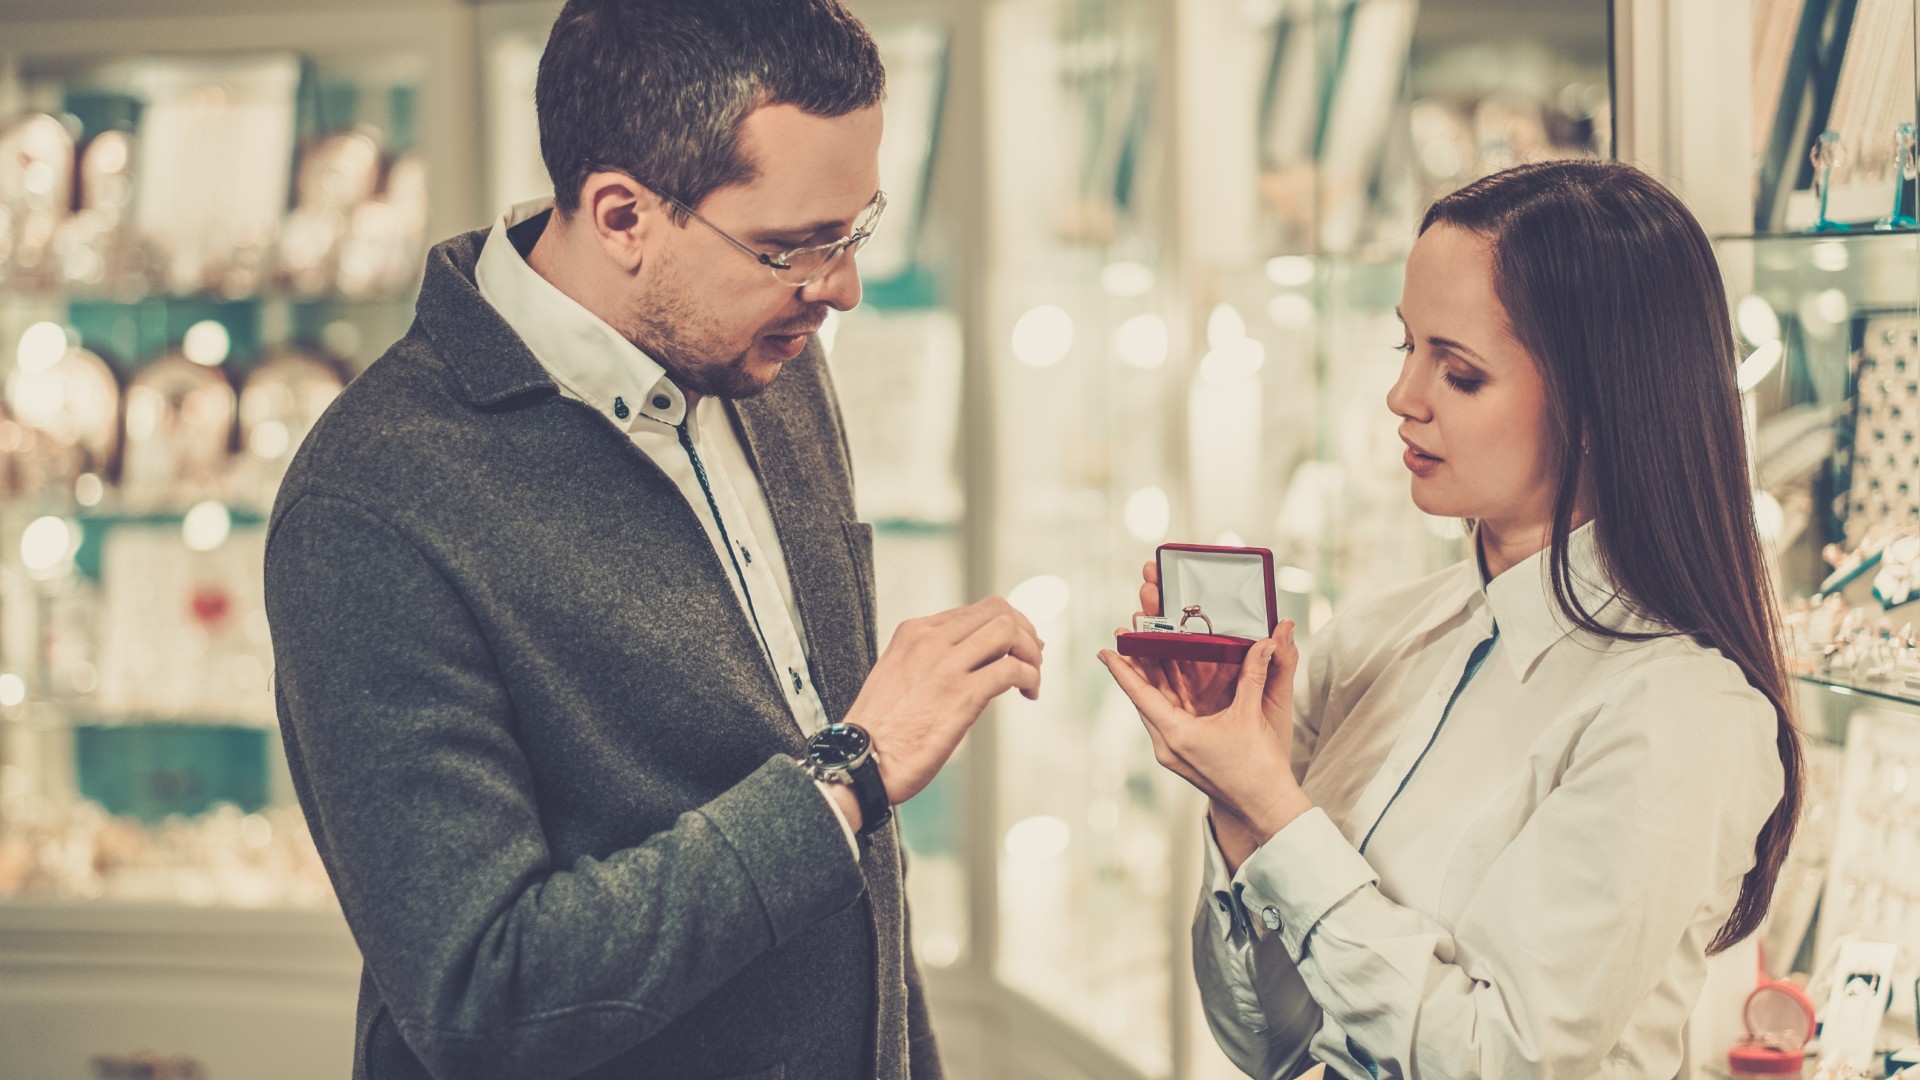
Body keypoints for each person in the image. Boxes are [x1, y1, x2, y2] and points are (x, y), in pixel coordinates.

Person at [264, 3, 1043, 1078]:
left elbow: (862, 895)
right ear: (622, 214)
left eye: (853, 230)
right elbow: (485, 996)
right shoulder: (370, 501)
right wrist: (848, 779)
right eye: (793, 247)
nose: (841, 289)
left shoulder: (770, 361)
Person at [1099, 160, 1801, 1078]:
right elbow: (1267, 1043)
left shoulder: (1679, 715)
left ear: (1598, 410)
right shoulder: (1373, 641)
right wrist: (1241, 799)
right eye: (1408, 348)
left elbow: (1498, 1060)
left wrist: (1279, 810)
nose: (1404, 397)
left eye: (1459, 371)